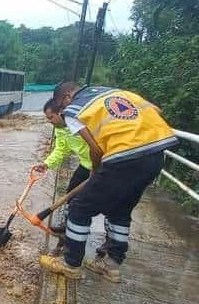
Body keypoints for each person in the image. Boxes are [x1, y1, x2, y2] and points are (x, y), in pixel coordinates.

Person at [39, 81, 178, 283]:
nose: (63, 110)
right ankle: (111, 266)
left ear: (68, 96)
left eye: (61, 105)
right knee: (120, 211)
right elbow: (156, 110)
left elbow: (95, 150)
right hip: (155, 155)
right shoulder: (119, 93)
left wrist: (96, 172)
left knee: (79, 208)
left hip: (123, 157)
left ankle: (70, 264)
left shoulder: (76, 109)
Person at [33, 99, 92, 256]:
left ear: (61, 113)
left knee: (87, 205)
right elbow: (61, 150)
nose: (49, 121)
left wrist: (101, 167)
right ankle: (66, 230)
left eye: (51, 117)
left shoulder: (81, 124)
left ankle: (104, 250)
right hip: (86, 165)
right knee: (71, 195)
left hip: (103, 166)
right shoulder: (60, 129)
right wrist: (46, 164)